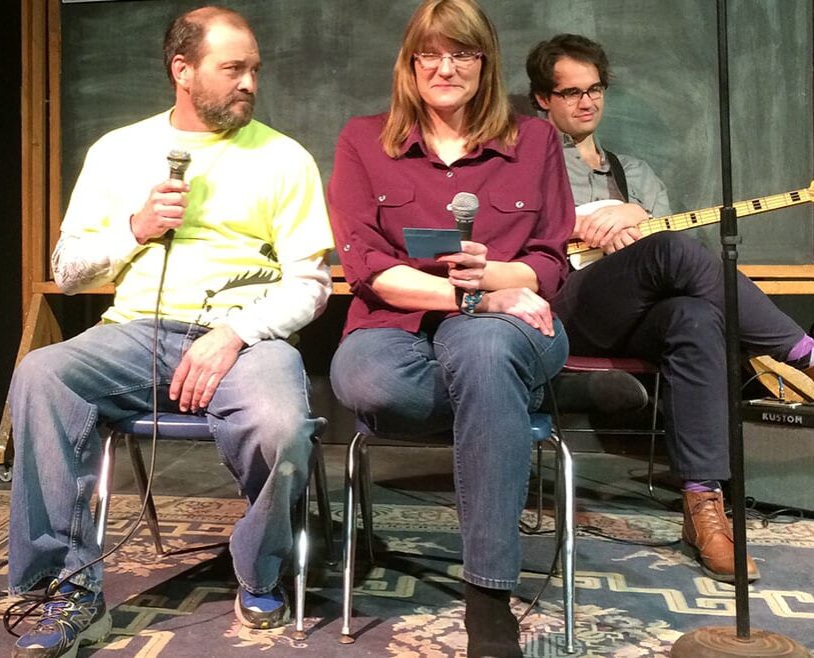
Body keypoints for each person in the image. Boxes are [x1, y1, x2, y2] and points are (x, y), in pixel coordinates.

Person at [6, 7, 334, 657]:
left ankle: (260, 568)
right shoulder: (117, 151)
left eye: (254, 70)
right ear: (182, 70)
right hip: (138, 331)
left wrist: (236, 333)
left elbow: (311, 284)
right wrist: (135, 227)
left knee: (280, 422)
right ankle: (69, 582)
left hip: (247, 338)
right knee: (41, 372)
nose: (249, 83)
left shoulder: (284, 158)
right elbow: (66, 273)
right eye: (232, 69)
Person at [328, 2, 574, 656]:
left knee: (486, 352)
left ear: (484, 62)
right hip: (397, 323)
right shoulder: (362, 139)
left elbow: (549, 261)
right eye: (429, 54)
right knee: (369, 379)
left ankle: (488, 602)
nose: (445, 68)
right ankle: (504, 405)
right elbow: (365, 266)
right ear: (409, 65)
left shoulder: (536, 141)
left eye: (462, 53)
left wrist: (493, 295)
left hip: (513, 322)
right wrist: (468, 298)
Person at [526, 33, 814, 584]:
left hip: (638, 316)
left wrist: (635, 213)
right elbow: (513, 238)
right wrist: (576, 222)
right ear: (544, 98)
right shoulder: (526, 161)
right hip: (565, 312)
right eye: (570, 93)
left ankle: (703, 505)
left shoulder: (635, 173)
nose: (586, 103)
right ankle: (801, 353)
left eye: (595, 90)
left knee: (694, 316)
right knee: (671, 250)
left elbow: (690, 265)